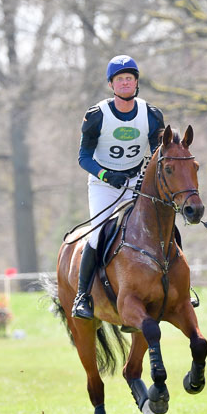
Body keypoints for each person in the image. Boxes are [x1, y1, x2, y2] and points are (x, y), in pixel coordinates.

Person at [72, 54, 165, 319]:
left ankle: (180, 288)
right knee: (98, 233)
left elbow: (160, 153)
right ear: (112, 85)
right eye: (120, 79)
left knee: (163, 225)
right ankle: (83, 296)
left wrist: (148, 176)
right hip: (104, 184)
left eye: (129, 78)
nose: (125, 83)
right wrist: (105, 174)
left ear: (136, 83)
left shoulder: (152, 114)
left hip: (136, 181)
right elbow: (83, 158)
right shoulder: (96, 116)